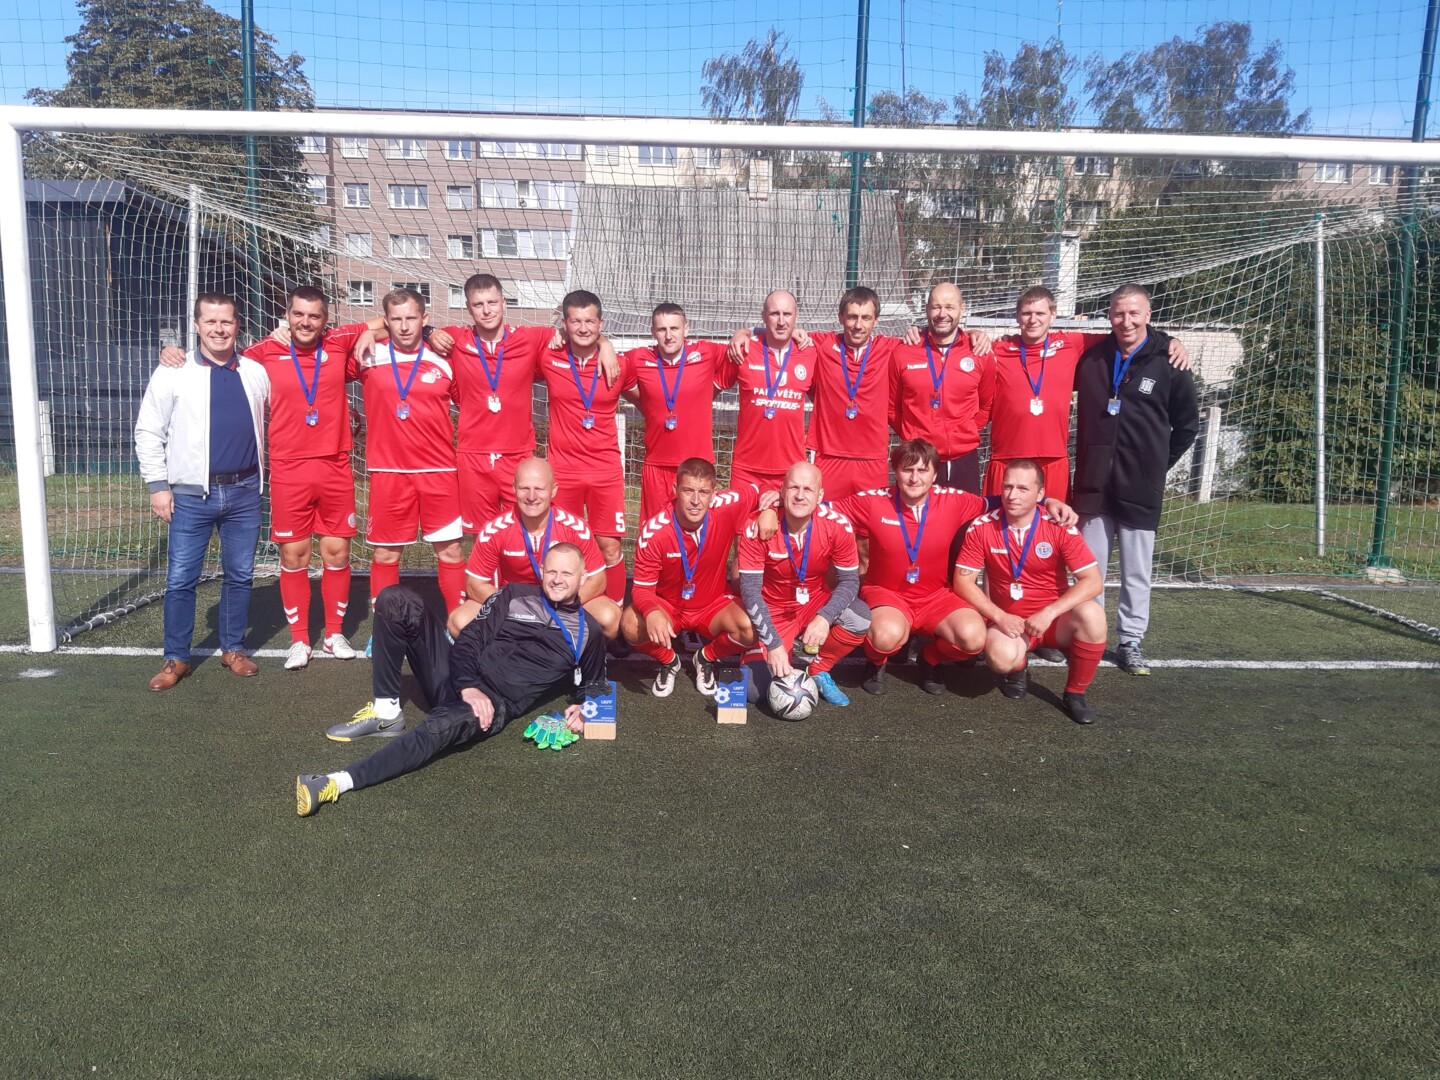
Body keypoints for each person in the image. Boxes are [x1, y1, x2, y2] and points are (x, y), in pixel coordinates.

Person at [157, 288, 386, 669]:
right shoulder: (263, 352)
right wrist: (172, 353)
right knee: (294, 555)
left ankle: (334, 634)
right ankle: (300, 640)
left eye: (314, 316)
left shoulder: (339, 340)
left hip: (334, 466)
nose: (306, 322)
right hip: (288, 469)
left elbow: (391, 322)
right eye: (298, 314)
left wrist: (368, 333)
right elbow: (218, 355)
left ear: (325, 320)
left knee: (338, 553)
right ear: (287, 315)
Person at [296, 544, 605, 816]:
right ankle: (387, 712)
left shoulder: (588, 632)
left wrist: (586, 709)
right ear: (542, 571)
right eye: (551, 571)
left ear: (582, 577)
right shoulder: (513, 595)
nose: (557, 579)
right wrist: (467, 684)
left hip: (491, 704)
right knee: (396, 598)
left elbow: (596, 686)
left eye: (567, 573)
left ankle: (334, 781)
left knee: (438, 727)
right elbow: (469, 639)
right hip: (456, 675)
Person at [135, 293, 269, 689]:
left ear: (238, 325)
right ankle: (176, 658)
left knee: (240, 575)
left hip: (245, 491)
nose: (219, 329)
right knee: (181, 579)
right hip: (191, 495)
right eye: (210, 321)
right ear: (197, 325)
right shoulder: (173, 371)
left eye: (226, 321)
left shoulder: (255, 372)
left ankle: (233, 649)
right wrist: (158, 486)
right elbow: (148, 431)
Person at [1072, 283, 1199, 676]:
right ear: (1109, 315)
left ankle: (1130, 640)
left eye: (1133, 313)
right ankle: (1089, 636)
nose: (1125, 321)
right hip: (1094, 484)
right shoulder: (1092, 358)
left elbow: (1187, 426)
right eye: (1118, 313)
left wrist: (1156, 466)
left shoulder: (1169, 362)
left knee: (1136, 570)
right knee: (1089, 570)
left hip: (1140, 486)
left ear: (1148, 314)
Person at [984, 285, 1189, 504]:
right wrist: (975, 334)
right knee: (998, 522)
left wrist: (1169, 341)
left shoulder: (1072, 343)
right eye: (1027, 313)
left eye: (1040, 313)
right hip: (1006, 458)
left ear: (1053, 315)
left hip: (1053, 459)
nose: (1033, 320)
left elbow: (1126, 334)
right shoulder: (997, 349)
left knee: (1053, 522)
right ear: (1017, 316)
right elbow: (966, 350)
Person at [953, 459, 1107, 724]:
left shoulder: (1059, 525)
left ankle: (1075, 693)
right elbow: (962, 582)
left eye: (1023, 488)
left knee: (1093, 615)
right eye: (1008, 487)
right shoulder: (982, 526)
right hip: (1010, 623)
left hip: (1054, 621)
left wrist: (1049, 612)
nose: (1013, 495)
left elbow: (1092, 582)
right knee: (1000, 660)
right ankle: (1018, 667)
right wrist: (1000, 617)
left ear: (1040, 494)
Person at [353, 287, 467, 619]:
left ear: (424, 319)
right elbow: (328, 340)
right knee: (386, 555)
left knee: (451, 551)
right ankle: (385, 630)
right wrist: (367, 331)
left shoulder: (444, 360)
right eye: (396, 319)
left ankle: (457, 626)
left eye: (412, 318)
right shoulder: (368, 354)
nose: (404, 327)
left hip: (439, 472)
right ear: (386, 321)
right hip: (388, 472)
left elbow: (469, 403)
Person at [623, 458, 772, 698]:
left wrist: (769, 509)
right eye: (688, 490)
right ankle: (669, 661)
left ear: (714, 493)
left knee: (752, 626)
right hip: (669, 607)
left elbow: (762, 488)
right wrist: (651, 612)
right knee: (630, 624)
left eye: (703, 492)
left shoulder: (726, 506)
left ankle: (705, 657)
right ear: (675, 490)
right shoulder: (654, 532)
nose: (695, 500)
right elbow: (641, 589)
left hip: (712, 605)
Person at [737, 461, 870, 708]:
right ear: (782, 491)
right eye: (793, 488)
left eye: (808, 489)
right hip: (773, 608)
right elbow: (750, 592)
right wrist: (773, 644)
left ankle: (819, 669)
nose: (800, 496)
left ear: (819, 495)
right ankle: (766, 650)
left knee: (860, 617)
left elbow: (850, 582)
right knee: (755, 691)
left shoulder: (837, 525)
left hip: (813, 602)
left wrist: (825, 617)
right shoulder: (757, 527)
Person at [451, 457, 621, 641]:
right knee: (458, 621)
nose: (531, 496)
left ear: (553, 490)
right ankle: (501, 655)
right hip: (513, 602)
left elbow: (598, 579)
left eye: (539, 489)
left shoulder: (575, 528)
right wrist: (515, 607)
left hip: (563, 598)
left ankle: (578, 655)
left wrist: (565, 604)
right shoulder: (495, 530)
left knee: (609, 618)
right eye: (524, 488)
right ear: (514, 488)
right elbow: (474, 584)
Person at [438, 274, 559, 533]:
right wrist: (430, 332)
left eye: (492, 302)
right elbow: (410, 331)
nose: (486, 310)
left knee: (524, 531)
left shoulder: (530, 337)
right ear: (468, 307)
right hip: (474, 455)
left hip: (518, 454)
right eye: (478, 304)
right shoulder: (455, 339)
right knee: (482, 536)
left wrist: (605, 345)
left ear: (504, 302)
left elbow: (579, 330)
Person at [536, 290, 631, 603]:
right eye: (575, 321)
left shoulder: (619, 364)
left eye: (590, 321)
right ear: (565, 324)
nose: (583, 328)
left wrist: (607, 345)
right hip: (563, 471)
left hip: (605, 471)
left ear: (600, 323)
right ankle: (563, 612)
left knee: (609, 547)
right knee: (564, 547)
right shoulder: (548, 358)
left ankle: (614, 616)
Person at [621, 303, 730, 522]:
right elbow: (610, 366)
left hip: (697, 466)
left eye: (674, 328)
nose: (669, 336)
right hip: (657, 466)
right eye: (662, 329)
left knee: (696, 531)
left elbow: (745, 347)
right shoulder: (638, 359)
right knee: (655, 531)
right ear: (653, 332)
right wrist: (604, 344)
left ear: (686, 329)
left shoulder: (707, 352)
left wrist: (747, 332)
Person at [890, 282, 995, 493]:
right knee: (915, 515)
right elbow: (891, 407)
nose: (942, 314)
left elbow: (987, 405)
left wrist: (965, 432)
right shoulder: (903, 351)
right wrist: (913, 435)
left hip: (963, 458)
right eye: (936, 307)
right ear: (927, 309)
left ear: (962, 309)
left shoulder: (979, 352)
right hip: (917, 459)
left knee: (965, 514)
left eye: (949, 307)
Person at [716, 290, 818, 494]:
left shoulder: (810, 353)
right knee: (742, 517)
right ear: (763, 316)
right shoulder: (743, 349)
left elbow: (824, 401)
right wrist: (743, 332)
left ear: (796, 316)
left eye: (787, 314)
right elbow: (709, 390)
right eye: (774, 314)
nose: (781, 321)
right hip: (747, 469)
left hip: (791, 470)